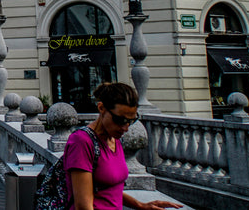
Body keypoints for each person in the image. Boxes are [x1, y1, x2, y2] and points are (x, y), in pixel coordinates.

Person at [66, 82, 182, 210]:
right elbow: (83, 206)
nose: (125, 128)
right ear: (101, 108)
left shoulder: (115, 139)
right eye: (120, 120)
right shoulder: (81, 141)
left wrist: (141, 205)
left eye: (131, 121)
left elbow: (110, 190)